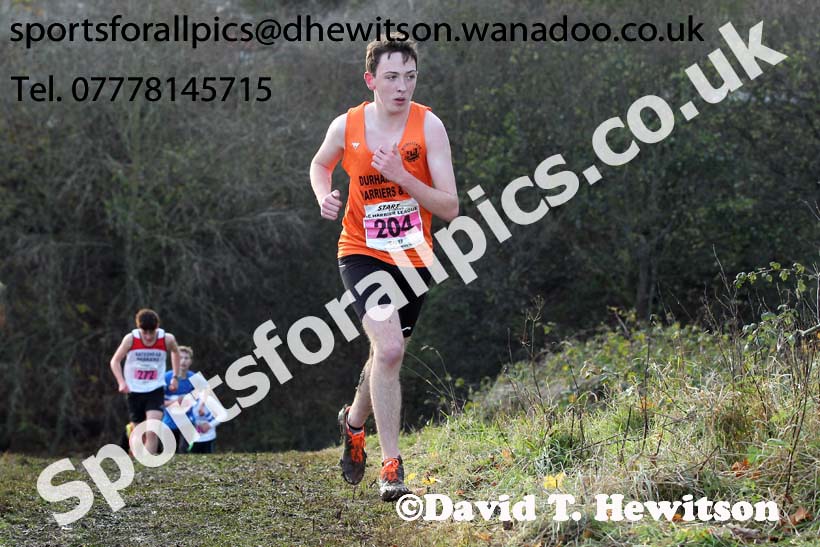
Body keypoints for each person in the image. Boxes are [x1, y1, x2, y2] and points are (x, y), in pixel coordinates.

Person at [309, 35, 458, 501]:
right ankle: (391, 468)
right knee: (390, 349)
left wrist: (403, 177)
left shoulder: (429, 127)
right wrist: (324, 195)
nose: (402, 87)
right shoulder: (348, 126)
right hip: (361, 251)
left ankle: (353, 424)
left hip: (413, 256)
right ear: (371, 79)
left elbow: (450, 207)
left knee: (385, 356)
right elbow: (319, 164)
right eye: (392, 77)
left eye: (410, 77)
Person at [109, 308, 181, 455]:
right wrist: (121, 382)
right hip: (135, 390)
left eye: (151, 332)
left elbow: (176, 352)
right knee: (139, 432)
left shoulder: (166, 339)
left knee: (152, 429)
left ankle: (149, 463)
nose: (148, 336)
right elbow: (115, 361)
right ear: (138, 328)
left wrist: (175, 376)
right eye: (144, 332)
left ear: (157, 328)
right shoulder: (131, 339)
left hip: (155, 388)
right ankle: (138, 462)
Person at [163, 345, 196, 453]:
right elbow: (157, 402)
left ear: (190, 361)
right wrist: (175, 402)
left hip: (188, 422)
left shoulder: (194, 377)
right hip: (169, 422)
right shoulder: (166, 377)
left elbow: (206, 393)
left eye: (186, 358)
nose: (183, 361)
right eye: (180, 358)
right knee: (169, 453)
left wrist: (196, 402)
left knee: (183, 451)